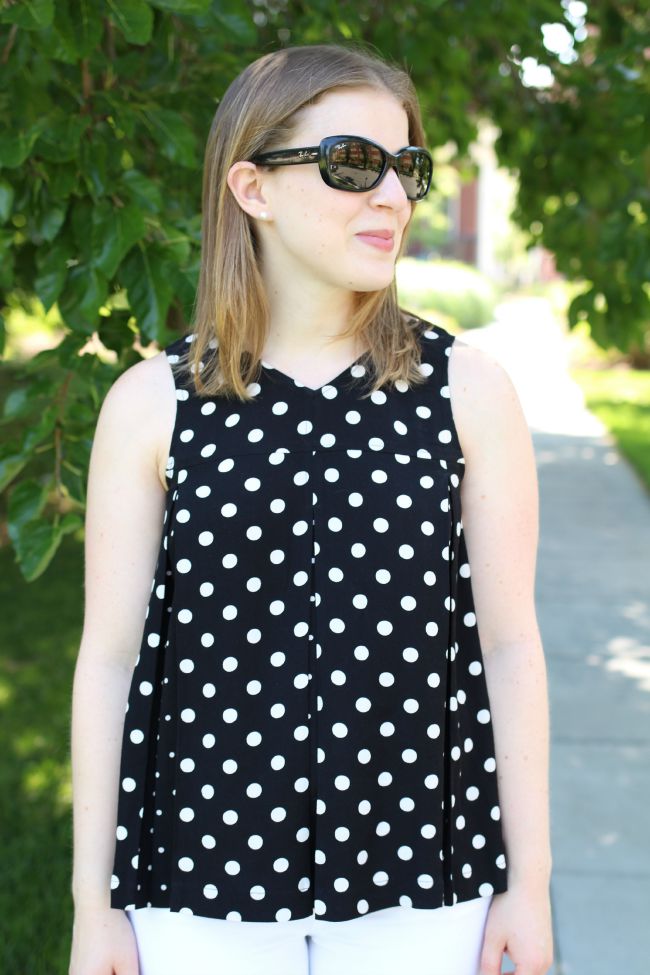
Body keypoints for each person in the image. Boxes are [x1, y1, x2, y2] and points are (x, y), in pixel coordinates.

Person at [69, 43, 553, 975]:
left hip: (422, 872)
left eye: (406, 168)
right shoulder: (152, 403)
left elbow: (509, 647)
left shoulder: (467, 389)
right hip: (199, 879)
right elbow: (111, 661)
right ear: (252, 187)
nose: (393, 198)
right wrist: (96, 902)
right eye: (351, 165)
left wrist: (525, 886)